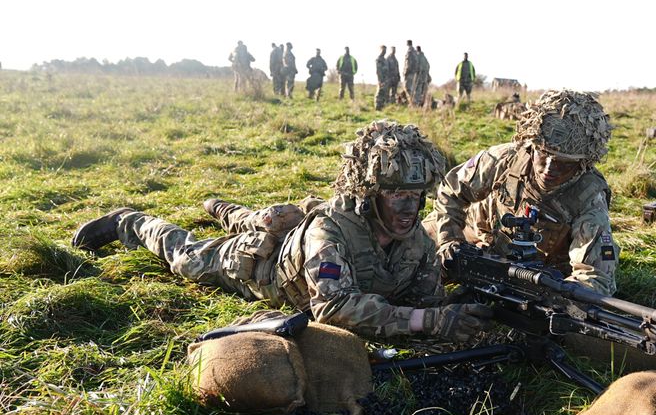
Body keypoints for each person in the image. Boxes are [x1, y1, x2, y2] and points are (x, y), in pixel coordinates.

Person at [71, 121, 493, 343]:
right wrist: (429, 322)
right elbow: (333, 308)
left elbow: (426, 299)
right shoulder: (330, 231)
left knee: (267, 215)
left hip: (297, 235)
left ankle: (230, 210)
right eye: (395, 194)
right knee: (187, 257)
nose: (408, 206)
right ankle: (130, 221)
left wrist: (467, 310)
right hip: (263, 265)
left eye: (415, 194)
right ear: (369, 194)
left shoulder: (417, 241)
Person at [424, 90, 618, 296]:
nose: (549, 168)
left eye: (563, 163)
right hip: (474, 229)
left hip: (535, 270)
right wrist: (449, 241)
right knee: (411, 253)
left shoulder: (589, 197)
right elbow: (451, 190)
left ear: (581, 164)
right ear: (532, 147)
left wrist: (559, 296)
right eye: (543, 154)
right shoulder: (505, 159)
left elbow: (595, 277)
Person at [403, 40, 418, 105]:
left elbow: (408, 63)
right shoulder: (415, 52)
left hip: (409, 73)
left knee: (407, 88)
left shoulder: (409, 51)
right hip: (414, 73)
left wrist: (405, 72)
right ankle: (413, 102)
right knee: (412, 88)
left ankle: (412, 103)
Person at [374, 45, 388, 110]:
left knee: (384, 93)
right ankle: (377, 106)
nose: (384, 52)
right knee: (379, 92)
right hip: (381, 78)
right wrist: (380, 80)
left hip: (385, 78)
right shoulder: (379, 59)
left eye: (385, 50)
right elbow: (378, 70)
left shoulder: (385, 60)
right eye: (383, 50)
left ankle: (382, 106)